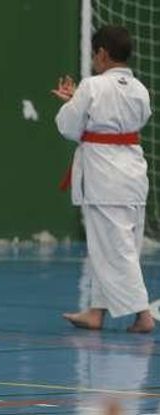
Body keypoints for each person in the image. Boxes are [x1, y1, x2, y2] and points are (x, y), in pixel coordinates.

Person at [53, 25, 154, 333]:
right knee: (112, 247)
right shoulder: (139, 89)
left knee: (117, 250)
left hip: (105, 177)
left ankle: (143, 316)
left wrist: (72, 103)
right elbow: (134, 118)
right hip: (133, 175)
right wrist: (80, 103)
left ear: (102, 54)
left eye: (95, 56)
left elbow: (68, 126)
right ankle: (96, 312)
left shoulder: (92, 86)